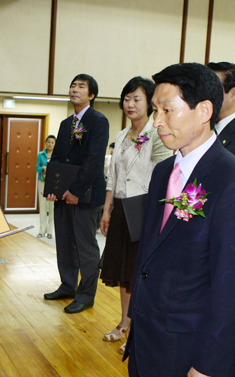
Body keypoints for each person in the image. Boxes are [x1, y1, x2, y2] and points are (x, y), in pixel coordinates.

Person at [124, 62, 235, 377]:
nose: (157, 121)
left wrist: (212, 364)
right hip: (147, 349)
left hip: (189, 358)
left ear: (204, 111)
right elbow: (150, 257)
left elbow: (232, 286)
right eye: (156, 110)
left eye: (167, 109)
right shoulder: (162, 173)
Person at [99, 77, 172, 353]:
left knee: (137, 273)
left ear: (150, 102)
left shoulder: (157, 135)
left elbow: (163, 177)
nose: (130, 104)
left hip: (143, 211)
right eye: (126, 98)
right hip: (121, 211)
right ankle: (123, 323)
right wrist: (107, 210)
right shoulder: (120, 136)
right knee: (122, 273)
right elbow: (112, 177)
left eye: (136, 99)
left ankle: (137, 330)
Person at [43, 74, 109, 314]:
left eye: (81, 86)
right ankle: (68, 285)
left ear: (92, 94)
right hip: (64, 196)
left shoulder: (98, 121)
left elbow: (93, 161)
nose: (75, 89)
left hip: (86, 196)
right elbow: (58, 159)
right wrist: (54, 189)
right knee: (64, 243)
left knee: (85, 247)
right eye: (72, 85)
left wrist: (76, 191)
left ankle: (86, 295)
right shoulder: (65, 124)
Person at [36, 134, 55, 239]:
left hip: (53, 182)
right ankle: (41, 230)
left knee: (52, 206)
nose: (50, 144)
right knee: (43, 206)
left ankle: (50, 231)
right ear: (45, 143)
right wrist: (43, 168)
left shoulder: (57, 155)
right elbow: (36, 168)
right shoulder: (41, 154)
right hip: (42, 181)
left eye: (52, 142)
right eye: (48, 142)